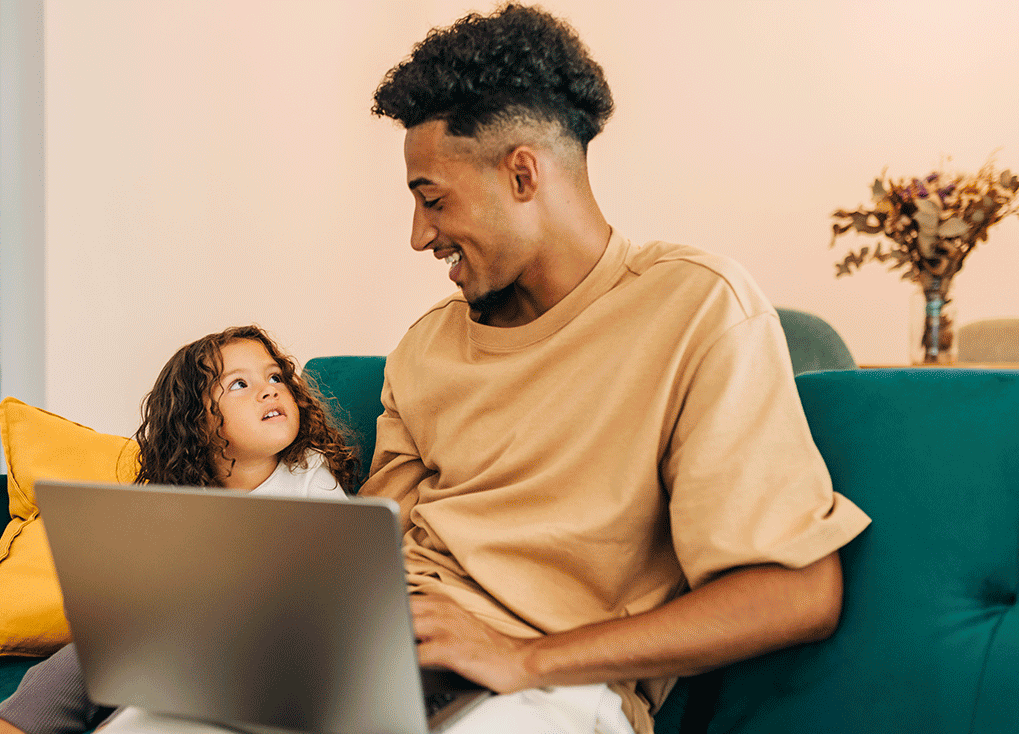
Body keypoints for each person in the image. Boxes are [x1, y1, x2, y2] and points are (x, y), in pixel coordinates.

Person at [360, 4, 870, 733]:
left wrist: (521, 656)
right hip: (387, 661)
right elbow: (370, 541)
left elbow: (798, 593)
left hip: (541, 692)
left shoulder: (694, 307)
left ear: (523, 174)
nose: (420, 237)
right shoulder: (422, 348)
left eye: (433, 200)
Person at [0, 325, 357, 734]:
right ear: (198, 422)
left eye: (275, 377)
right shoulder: (179, 498)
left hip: (273, 649)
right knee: (83, 658)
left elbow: (337, 583)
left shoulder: (310, 474)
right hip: (187, 642)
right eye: (239, 384)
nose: (269, 391)